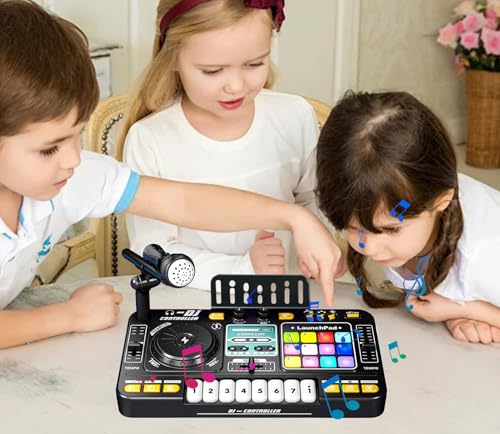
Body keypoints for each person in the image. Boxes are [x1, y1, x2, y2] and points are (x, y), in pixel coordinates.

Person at [0, 0, 341, 349]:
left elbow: (185, 202)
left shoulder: (78, 177)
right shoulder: (143, 141)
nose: (74, 158)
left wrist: (295, 217)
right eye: (49, 149)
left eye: (77, 135)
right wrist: (68, 316)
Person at [119, 0, 326, 290]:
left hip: (287, 296)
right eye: (213, 70)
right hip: (192, 301)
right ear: (172, 58)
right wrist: (242, 270)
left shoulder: (294, 116)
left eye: (255, 64)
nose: (236, 86)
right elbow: (153, 249)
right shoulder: (150, 139)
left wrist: (320, 246)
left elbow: (314, 200)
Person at [315, 90, 500, 344]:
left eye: (391, 229)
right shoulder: (405, 200)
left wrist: (464, 309)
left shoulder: (485, 255)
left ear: (441, 201)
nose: (369, 247)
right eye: (352, 227)